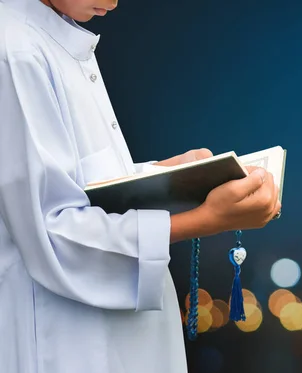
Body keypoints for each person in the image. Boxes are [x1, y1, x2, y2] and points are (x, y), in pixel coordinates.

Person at [0, 0, 281, 372]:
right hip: (68, 348)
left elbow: (78, 184)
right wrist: (206, 219)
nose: (115, 2)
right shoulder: (15, 50)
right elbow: (54, 234)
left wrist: (168, 174)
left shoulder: (55, 37)